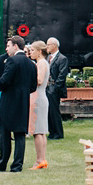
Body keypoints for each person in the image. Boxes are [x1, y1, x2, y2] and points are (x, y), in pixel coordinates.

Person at [0, 36, 36, 172]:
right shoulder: (31, 63)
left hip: (9, 101)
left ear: (16, 46)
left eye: (8, 46)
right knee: (20, 134)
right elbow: (33, 86)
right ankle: (17, 165)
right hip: (23, 102)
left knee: (4, 131)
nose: (6, 49)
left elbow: (4, 80)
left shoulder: (11, 61)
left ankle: (2, 163)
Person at [28, 40, 50, 170]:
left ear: (39, 52)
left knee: (37, 131)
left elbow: (40, 80)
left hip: (38, 97)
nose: (31, 52)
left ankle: (39, 160)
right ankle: (42, 159)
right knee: (41, 131)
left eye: (33, 50)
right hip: (40, 97)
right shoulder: (43, 63)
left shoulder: (41, 63)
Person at [46, 37, 69, 139]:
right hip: (47, 88)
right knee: (48, 111)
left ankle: (58, 133)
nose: (47, 47)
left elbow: (62, 75)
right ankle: (52, 131)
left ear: (54, 45)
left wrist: (55, 88)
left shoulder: (62, 59)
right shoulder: (48, 58)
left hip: (54, 89)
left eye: (48, 44)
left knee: (54, 111)